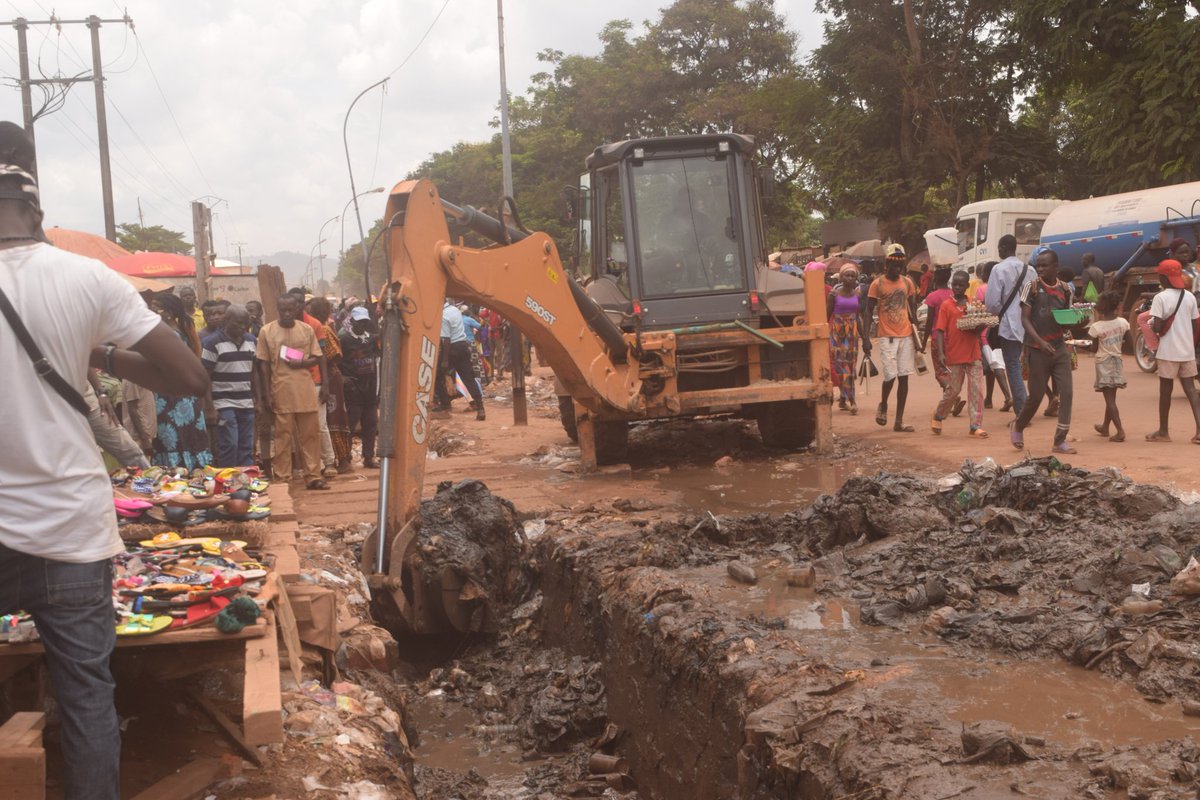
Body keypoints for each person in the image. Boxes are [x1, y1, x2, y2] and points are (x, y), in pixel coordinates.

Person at [0, 120, 208, 800]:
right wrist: (95, 352)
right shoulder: (87, 278)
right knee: (86, 692)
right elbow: (187, 378)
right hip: (69, 526)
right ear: (36, 206)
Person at [256, 293, 330, 489]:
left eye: (290, 310)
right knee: (283, 437)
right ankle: (282, 478)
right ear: (278, 310)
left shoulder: (306, 329)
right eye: (283, 310)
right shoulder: (266, 331)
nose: (287, 313)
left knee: (310, 435)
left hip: (305, 388)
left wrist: (305, 366)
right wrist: (266, 394)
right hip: (280, 389)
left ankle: (313, 476)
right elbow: (263, 365)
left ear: (297, 309)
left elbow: (318, 357)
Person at [1011, 248, 1076, 453]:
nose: (1040, 269)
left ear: (1056, 267)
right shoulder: (1030, 287)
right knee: (1036, 397)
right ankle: (1019, 425)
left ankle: (1059, 440)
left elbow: (1066, 320)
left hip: (1059, 347)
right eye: (1038, 265)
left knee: (1067, 393)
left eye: (1044, 265)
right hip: (1037, 349)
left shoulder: (1066, 289)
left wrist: (1078, 320)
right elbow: (1025, 319)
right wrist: (1040, 342)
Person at [151, 291, 212, 469]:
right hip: (184, 392)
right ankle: (190, 468)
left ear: (168, 313)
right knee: (185, 433)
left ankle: (177, 468)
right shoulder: (180, 330)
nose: (151, 313)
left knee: (172, 435)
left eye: (155, 309)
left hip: (170, 394)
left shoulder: (167, 335)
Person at [864, 243, 919, 432]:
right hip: (887, 336)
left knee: (904, 377)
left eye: (900, 265)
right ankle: (884, 403)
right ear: (886, 265)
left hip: (906, 335)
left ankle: (899, 421)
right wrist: (866, 338)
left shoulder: (907, 283)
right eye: (894, 265)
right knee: (890, 376)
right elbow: (867, 311)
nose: (897, 269)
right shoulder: (877, 284)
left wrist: (917, 336)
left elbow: (912, 309)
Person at [1144, 259, 1200, 443]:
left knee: (1165, 391)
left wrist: (1153, 325)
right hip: (1187, 351)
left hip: (1168, 352)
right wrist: (1189, 344)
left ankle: (1163, 432)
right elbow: (1195, 325)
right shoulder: (1189, 296)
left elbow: (1158, 327)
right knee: (1191, 389)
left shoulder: (1160, 298)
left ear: (1163, 277)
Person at [931, 270, 987, 438]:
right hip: (954, 353)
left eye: (960, 285)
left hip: (973, 352)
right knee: (953, 390)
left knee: (977, 390)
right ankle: (939, 414)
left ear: (966, 286)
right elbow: (940, 330)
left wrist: (980, 325)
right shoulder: (946, 305)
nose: (957, 287)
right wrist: (941, 353)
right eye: (954, 284)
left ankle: (975, 425)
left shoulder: (973, 303)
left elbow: (979, 327)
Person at [984, 235, 1036, 416]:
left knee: (1013, 366)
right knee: (1028, 366)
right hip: (1029, 325)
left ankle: (1022, 412)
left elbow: (992, 303)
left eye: (999, 247)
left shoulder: (998, 269)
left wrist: (1002, 313)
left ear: (1005, 248)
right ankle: (1028, 406)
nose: (999, 251)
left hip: (1009, 325)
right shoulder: (1030, 270)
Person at [200, 304, 257, 467]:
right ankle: (228, 476)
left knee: (246, 445)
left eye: (245, 323)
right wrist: (209, 407)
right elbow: (205, 376)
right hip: (223, 403)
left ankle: (246, 477)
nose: (242, 327)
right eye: (238, 323)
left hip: (246, 401)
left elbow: (254, 372)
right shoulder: (211, 343)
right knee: (230, 444)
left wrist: (257, 399)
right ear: (227, 320)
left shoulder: (251, 340)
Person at [308, 296, 352, 473]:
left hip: (329, 378)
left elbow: (334, 354)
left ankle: (341, 459)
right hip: (325, 376)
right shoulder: (316, 328)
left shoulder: (324, 329)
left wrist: (313, 361)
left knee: (333, 418)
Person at [339, 306, 380, 468]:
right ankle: (345, 458)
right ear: (352, 321)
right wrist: (342, 377)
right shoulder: (344, 339)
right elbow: (335, 360)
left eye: (364, 322)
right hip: (353, 389)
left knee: (370, 424)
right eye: (359, 322)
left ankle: (368, 457)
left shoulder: (371, 339)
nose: (362, 325)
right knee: (350, 425)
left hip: (370, 388)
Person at [1087, 290, 1130, 442]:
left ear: (1102, 307)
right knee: (1111, 397)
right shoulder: (1123, 323)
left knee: (1109, 399)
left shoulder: (1096, 327)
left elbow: (1093, 348)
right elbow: (1128, 343)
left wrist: (1081, 345)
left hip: (1103, 363)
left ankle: (1120, 431)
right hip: (1117, 361)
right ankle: (1105, 427)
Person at [433, 299, 486, 419]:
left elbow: (446, 340)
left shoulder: (443, 316)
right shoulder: (455, 310)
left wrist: (445, 360)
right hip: (463, 346)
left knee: (436, 375)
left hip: (451, 349)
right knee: (469, 378)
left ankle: (445, 403)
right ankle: (480, 407)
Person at [975, 262, 1013, 412]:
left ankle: (1008, 396)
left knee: (995, 364)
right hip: (1002, 329)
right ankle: (989, 398)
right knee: (993, 365)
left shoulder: (982, 289)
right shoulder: (1005, 288)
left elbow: (980, 311)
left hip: (987, 332)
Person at [826, 263, 861, 414]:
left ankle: (842, 399)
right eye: (847, 275)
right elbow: (826, 316)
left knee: (851, 366)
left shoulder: (857, 294)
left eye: (853, 276)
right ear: (841, 277)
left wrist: (866, 338)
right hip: (838, 334)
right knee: (841, 367)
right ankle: (852, 400)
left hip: (852, 333)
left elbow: (858, 316)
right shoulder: (834, 294)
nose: (850, 278)